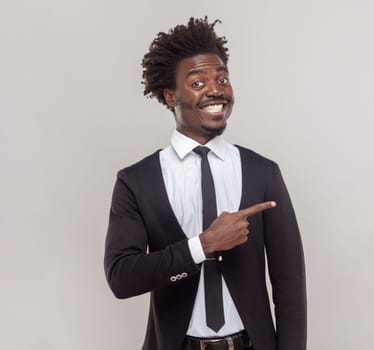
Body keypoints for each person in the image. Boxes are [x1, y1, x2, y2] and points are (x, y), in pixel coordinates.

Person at [104, 17, 306, 350]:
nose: (216, 89)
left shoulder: (263, 173)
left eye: (222, 78)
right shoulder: (136, 182)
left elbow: (290, 288)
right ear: (171, 95)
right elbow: (122, 277)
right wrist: (203, 245)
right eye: (198, 82)